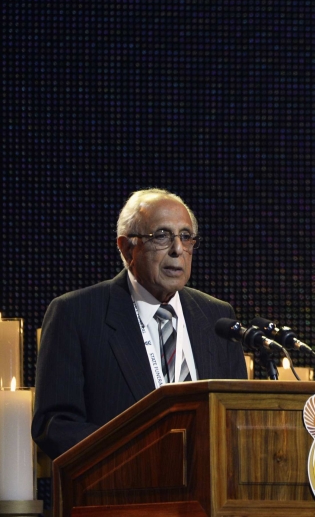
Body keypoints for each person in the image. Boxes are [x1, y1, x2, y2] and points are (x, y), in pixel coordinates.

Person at [32, 188, 247, 459]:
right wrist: (137, 454)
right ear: (126, 247)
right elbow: (54, 425)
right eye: (161, 236)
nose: (177, 249)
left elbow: (238, 419)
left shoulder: (217, 316)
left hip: (209, 493)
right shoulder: (76, 314)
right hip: (122, 492)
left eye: (185, 236)